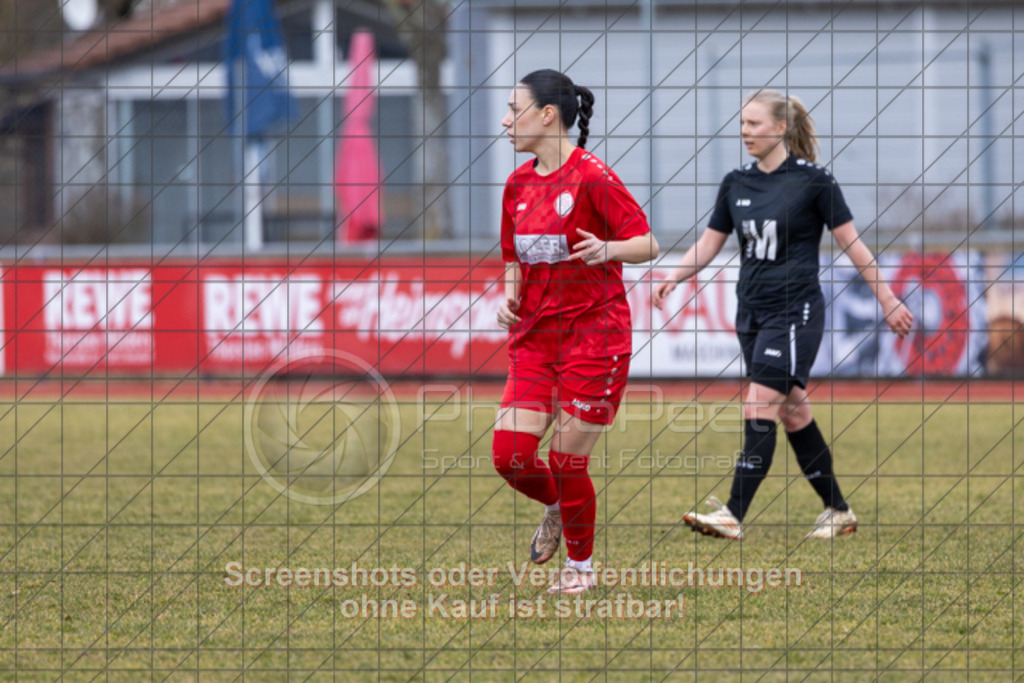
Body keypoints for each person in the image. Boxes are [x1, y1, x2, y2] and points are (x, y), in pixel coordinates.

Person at [652, 89, 914, 540]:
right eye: (743, 123)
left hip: (796, 312)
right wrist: (675, 276)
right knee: (793, 413)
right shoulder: (735, 183)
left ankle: (732, 514)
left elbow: (854, 246)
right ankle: (838, 511)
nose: (744, 131)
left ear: (781, 128)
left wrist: (887, 300)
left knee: (760, 404)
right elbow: (710, 244)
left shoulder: (814, 182)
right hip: (750, 312)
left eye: (754, 123)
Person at [493, 69, 659, 593]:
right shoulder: (517, 184)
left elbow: (648, 243)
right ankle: (557, 507)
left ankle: (580, 570)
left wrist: (608, 249)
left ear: (547, 115)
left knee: (566, 459)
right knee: (511, 456)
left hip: (596, 334)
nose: (504, 120)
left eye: (513, 108)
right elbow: (510, 255)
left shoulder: (593, 177)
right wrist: (510, 293)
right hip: (536, 339)